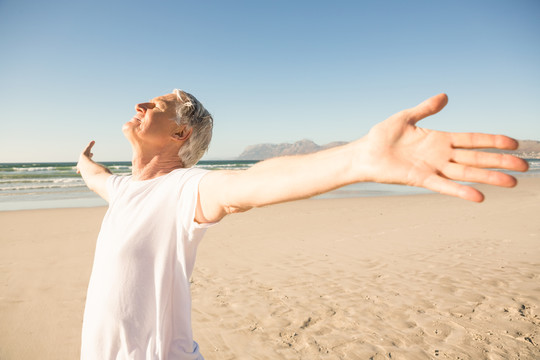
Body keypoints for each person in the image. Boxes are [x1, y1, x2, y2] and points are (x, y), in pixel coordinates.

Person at [77, 89, 528, 359]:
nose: (141, 103)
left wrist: (358, 158)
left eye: (157, 103)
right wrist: (83, 163)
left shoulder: (186, 189)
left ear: (180, 135)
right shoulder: (122, 190)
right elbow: (96, 178)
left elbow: (251, 183)